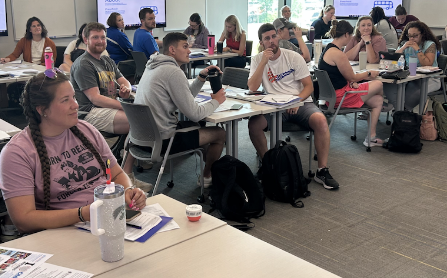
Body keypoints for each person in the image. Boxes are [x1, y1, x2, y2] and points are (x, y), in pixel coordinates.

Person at [0, 71, 147, 234]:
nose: (75, 105)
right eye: (65, 100)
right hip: (65, 230)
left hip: (105, 218)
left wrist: (128, 190)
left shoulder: (86, 130)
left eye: (73, 97)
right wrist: (83, 214)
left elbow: (116, 173)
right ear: (42, 110)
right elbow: (24, 220)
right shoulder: (17, 152)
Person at [248, 23, 337, 190]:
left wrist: (295, 101)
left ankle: (322, 170)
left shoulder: (293, 57)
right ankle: (269, 164)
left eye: (274, 36)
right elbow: (252, 87)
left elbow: (309, 87)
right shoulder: (257, 60)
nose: (272, 41)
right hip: (274, 106)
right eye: (267, 39)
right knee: (254, 125)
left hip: (300, 102)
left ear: (278, 37)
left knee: (321, 121)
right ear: (261, 42)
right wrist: (263, 62)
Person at [134, 32, 227, 188]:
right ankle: (207, 176)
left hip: (142, 138)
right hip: (164, 140)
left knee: (199, 127)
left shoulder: (152, 66)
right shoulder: (173, 72)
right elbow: (194, 113)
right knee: (219, 133)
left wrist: (201, 78)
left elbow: (183, 99)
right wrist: (216, 101)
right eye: (185, 47)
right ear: (172, 50)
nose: (189, 51)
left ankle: (212, 166)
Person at [70, 22, 149, 191]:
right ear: (85, 39)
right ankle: (127, 175)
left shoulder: (106, 60)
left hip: (108, 108)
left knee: (140, 118)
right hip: (89, 112)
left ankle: (126, 168)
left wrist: (126, 88)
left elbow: (124, 80)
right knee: (136, 121)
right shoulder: (83, 64)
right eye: (95, 37)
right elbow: (95, 99)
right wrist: (125, 106)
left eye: (103, 37)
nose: (100, 41)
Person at [319, 20, 385, 147]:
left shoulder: (328, 49)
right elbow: (353, 77)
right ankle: (391, 107)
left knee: (377, 101)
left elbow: (342, 76)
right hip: (341, 97)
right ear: (346, 35)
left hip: (332, 97)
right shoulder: (338, 54)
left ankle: (371, 138)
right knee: (379, 84)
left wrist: (352, 81)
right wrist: (369, 73)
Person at [385, 21, 441, 111]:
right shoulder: (405, 43)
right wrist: (403, 48)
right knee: (392, 85)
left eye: (415, 36)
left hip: (430, 78)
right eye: (409, 36)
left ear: (422, 34)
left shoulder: (429, 44)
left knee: (417, 92)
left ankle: (402, 111)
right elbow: (394, 59)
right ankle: (399, 110)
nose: (412, 39)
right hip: (411, 77)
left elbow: (427, 64)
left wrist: (418, 49)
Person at [105, 12, 135, 79]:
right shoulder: (119, 35)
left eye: (122, 19)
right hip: (120, 63)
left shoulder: (106, 31)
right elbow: (130, 50)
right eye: (119, 20)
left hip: (109, 63)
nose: (122, 22)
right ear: (113, 22)